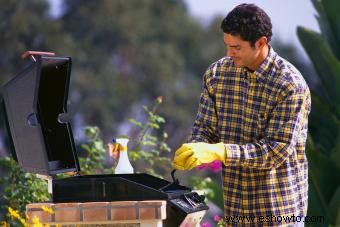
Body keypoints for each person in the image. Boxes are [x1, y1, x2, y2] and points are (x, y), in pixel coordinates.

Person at [172, 3, 311, 226]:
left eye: (236, 47)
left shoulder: (290, 86)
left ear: (261, 43)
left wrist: (221, 151)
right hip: (236, 209)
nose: (229, 53)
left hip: (279, 213)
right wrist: (197, 147)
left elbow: (275, 151)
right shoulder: (217, 74)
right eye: (227, 45)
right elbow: (205, 127)